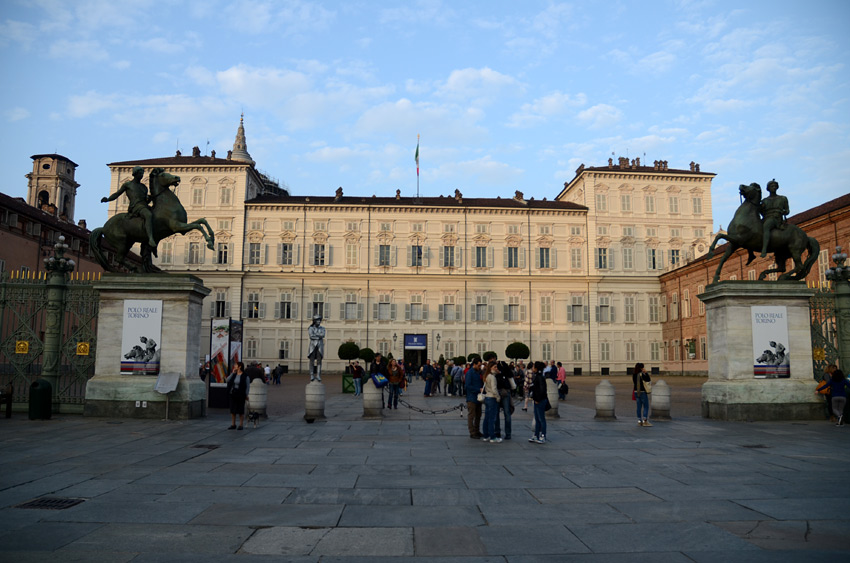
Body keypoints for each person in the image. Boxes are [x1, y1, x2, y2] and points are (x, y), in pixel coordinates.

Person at [101, 165, 157, 248]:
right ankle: (150, 238)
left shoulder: (144, 187)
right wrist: (108, 199)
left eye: (142, 173)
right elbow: (117, 194)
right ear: (135, 174)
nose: (141, 175)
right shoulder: (128, 185)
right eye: (140, 173)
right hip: (136, 207)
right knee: (148, 215)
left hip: (144, 206)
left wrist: (150, 198)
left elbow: (145, 200)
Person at [759, 179, 789, 258]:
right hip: (766, 218)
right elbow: (761, 211)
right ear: (768, 188)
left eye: (775, 186)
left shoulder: (783, 198)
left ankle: (764, 249)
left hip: (776, 218)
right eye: (772, 186)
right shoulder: (764, 201)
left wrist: (782, 212)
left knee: (766, 226)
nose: (774, 188)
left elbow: (787, 210)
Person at [481, 361, 502, 443]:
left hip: (487, 398)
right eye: (495, 367)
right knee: (492, 419)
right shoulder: (492, 377)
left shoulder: (486, 376)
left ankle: (486, 435)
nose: (496, 369)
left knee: (486, 418)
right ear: (490, 368)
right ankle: (493, 437)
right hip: (492, 398)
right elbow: (494, 389)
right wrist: (498, 397)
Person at [226, 361, 250, 430]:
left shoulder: (245, 376)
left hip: (241, 394)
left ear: (240, 367)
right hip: (233, 393)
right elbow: (227, 380)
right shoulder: (234, 374)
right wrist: (232, 373)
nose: (234, 366)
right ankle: (233, 424)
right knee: (233, 410)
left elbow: (247, 386)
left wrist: (246, 394)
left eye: (236, 365)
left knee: (240, 410)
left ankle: (241, 425)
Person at [464, 357, 484, 439]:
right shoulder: (470, 373)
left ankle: (477, 430)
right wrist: (478, 389)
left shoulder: (478, 372)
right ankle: (472, 432)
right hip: (471, 397)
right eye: (479, 365)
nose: (480, 367)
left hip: (478, 397)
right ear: (474, 364)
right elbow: (467, 386)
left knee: (478, 415)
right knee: (471, 415)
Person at [529, 361, 548, 443]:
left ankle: (543, 436)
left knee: (541, 419)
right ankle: (536, 435)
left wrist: (537, 399)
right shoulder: (538, 376)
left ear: (536, 368)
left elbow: (542, 390)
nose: (532, 368)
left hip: (539, 401)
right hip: (537, 400)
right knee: (537, 418)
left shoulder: (539, 377)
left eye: (533, 367)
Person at [493, 361, 513, 440]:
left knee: (496, 413)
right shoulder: (507, 372)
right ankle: (508, 433)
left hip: (498, 392)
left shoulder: (497, 374)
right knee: (507, 413)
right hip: (506, 392)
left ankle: (497, 432)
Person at [633, 362, 652, 426]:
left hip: (636, 391)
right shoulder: (642, 374)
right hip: (642, 391)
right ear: (641, 368)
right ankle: (645, 420)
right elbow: (648, 379)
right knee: (646, 406)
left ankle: (639, 421)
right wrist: (646, 373)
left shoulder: (634, 374)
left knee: (638, 407)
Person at [307, 315, 325, 381]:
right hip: (312, 346)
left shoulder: (323, 328)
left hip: (320, 346)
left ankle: (318, 375)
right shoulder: (310, 328)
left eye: (319, 320)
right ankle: (311, 375)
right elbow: (311, 336)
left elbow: (323, 335)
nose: (319, 321)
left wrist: (316, 335)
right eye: (317, 320)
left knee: (319, 361)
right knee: (311, 361)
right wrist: (319, 336)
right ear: (314, 321)